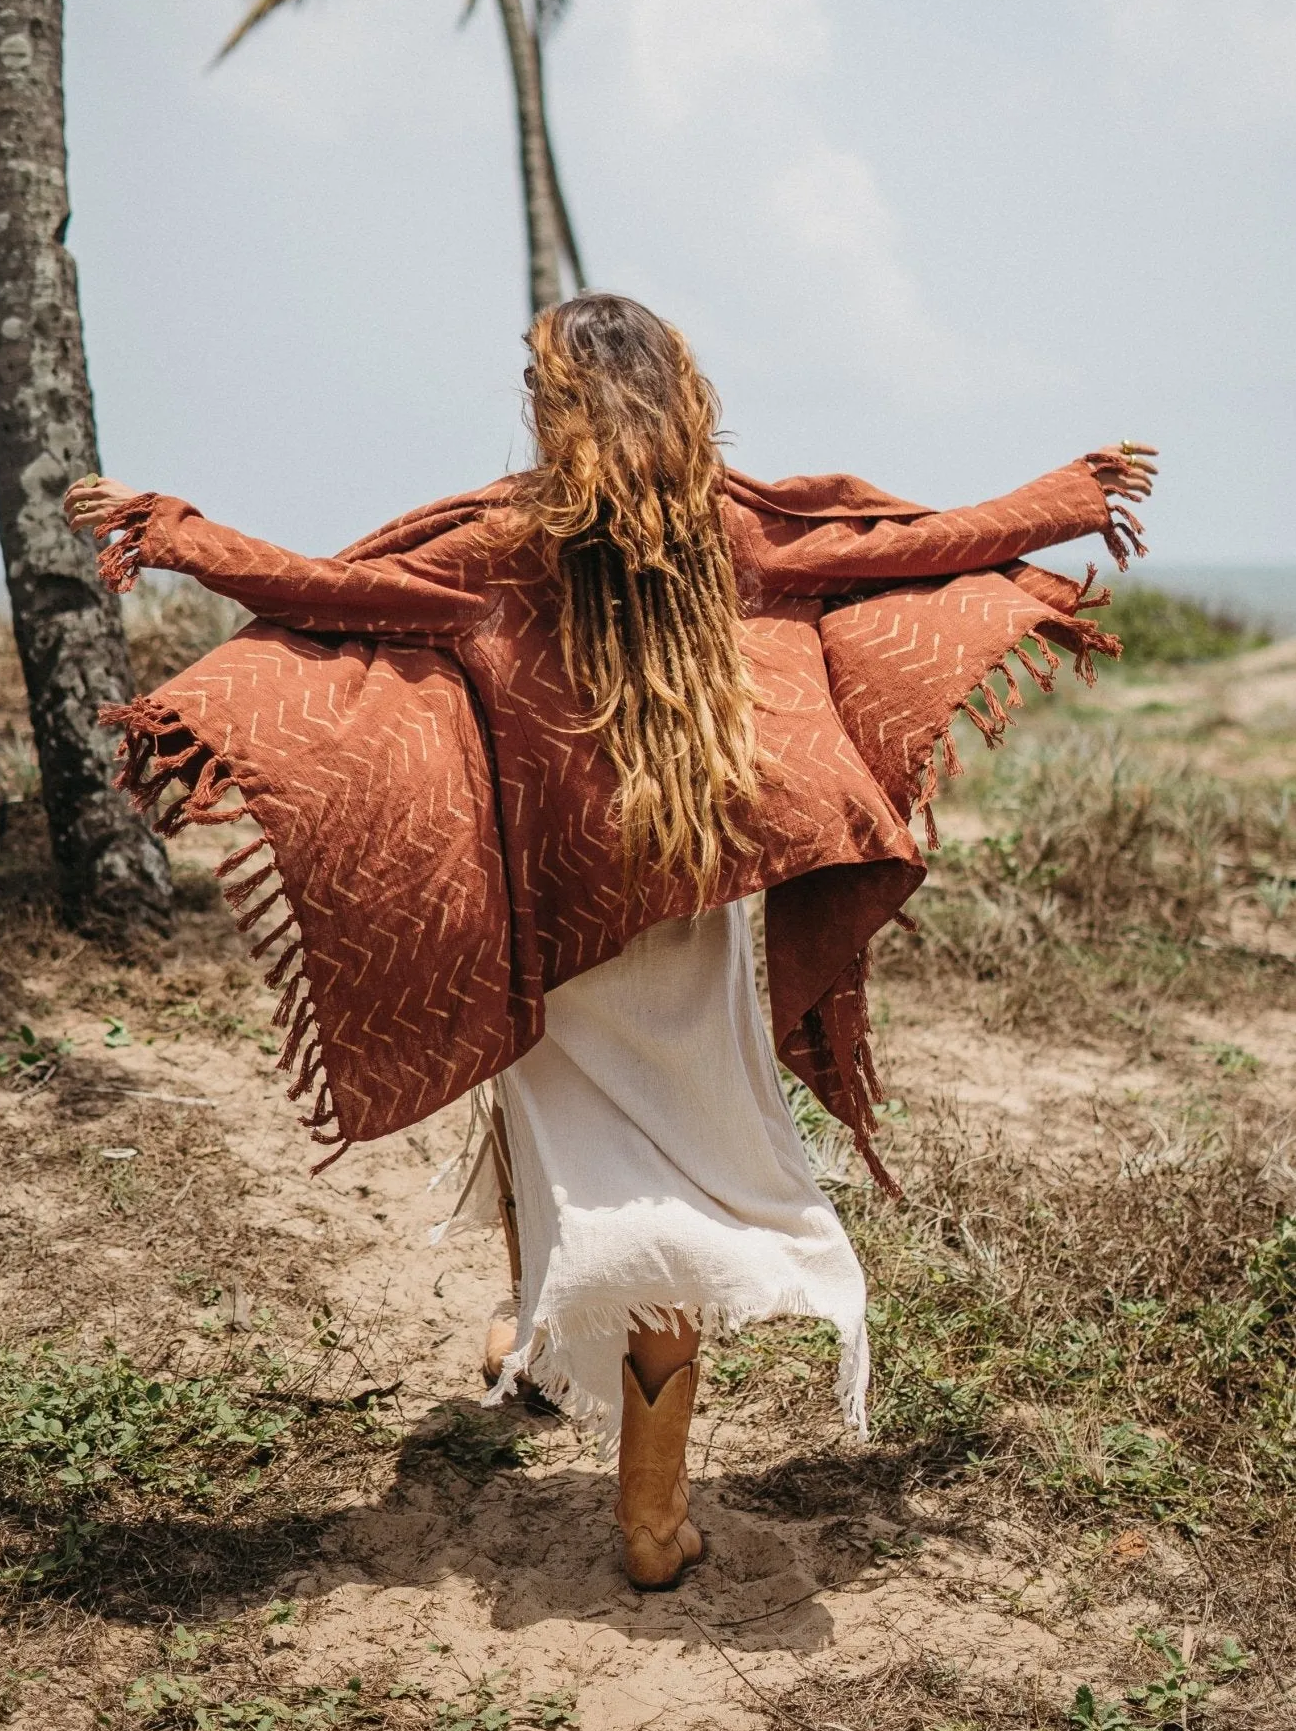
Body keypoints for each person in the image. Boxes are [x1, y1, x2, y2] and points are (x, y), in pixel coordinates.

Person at [66, 292, 1155, 1591]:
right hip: (690, 905)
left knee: (584, 1153)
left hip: (561, 917)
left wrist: (176, 532)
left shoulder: (509, 544)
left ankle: (592, 1419)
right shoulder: (731, 529)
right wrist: (1063, 499)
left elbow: (333, 591)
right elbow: (906, 552)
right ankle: (636, 1489)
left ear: (555, 411)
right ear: (681, 402)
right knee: (672, 1180)